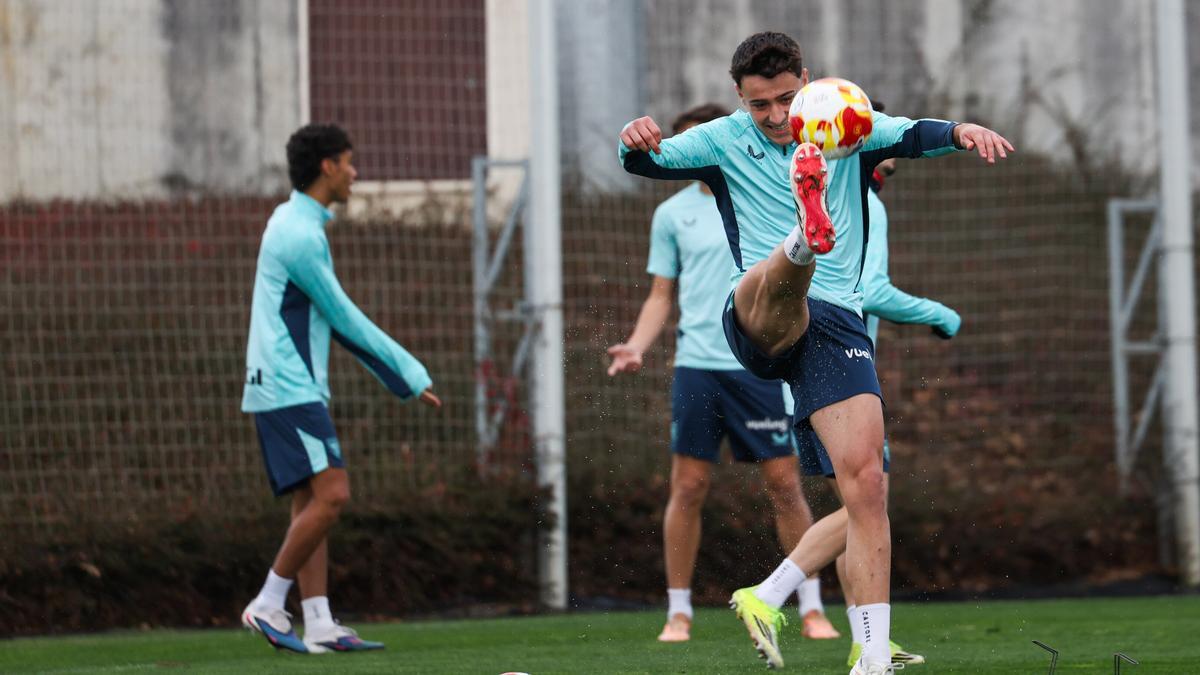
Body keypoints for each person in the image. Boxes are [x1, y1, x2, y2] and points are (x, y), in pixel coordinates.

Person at [617, 32, 1011, 674]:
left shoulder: (849, 120)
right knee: (779, 287)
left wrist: (962, 131)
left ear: (805, 81)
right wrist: (632, 139)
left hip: (836, 327)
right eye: (759, 105)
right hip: (756, 315)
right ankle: (803, 238)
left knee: (868, 488)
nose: (775, 116)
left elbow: (914, 133)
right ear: (739, 98)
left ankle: (873, 656)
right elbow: (646, 162)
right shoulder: (721, 140)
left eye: (785, 99)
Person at [607, 104, 839, 644]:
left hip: (759, 364)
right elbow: (661, 294)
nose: (696, 153)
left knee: (785, 484)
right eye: (685, 145)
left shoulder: (765, 190)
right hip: (698, 368)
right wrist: (637, 345)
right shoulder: (672, 215)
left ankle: (810, 607)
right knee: (688, 486)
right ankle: (678, 612)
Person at [239, 123, 442, 654]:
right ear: (327, 167)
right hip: (287, 386)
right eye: (349, 162)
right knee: (333, 495)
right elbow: (344, 318)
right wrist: (409, 376)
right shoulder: (299, 235)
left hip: (287, 384)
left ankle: (320, 622)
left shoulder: (295, 221)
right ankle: (267, 603)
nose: (355, 173)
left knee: (310, 501)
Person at [782, 115, 962, 668]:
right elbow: (874, 290)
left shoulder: (806, 184)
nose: (890, 148)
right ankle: (769, 595)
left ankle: (867, 642)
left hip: (807, 367)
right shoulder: (866, 203)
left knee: (859, 506)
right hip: (841, 376)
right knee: (866, 504)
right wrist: (939, 314)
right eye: (878, 134)